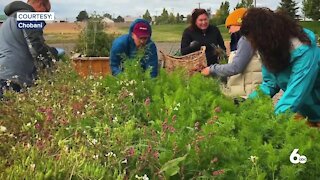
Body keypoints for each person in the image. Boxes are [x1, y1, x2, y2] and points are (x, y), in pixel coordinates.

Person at [240, 8, 320, 122]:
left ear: (266, 35)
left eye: (255, 41)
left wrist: (272, 123)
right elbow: (270, 84)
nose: (255, 46)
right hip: (308, 113)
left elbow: (295, 94)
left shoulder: (305, 51)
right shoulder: (269, 49)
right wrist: (247, 103)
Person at [0, 0, 59, 98]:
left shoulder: (9, 20)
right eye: (45, 13)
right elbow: (36, 47)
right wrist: (52, 60)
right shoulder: (28, 16)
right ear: (41, 5)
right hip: (15, 79)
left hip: (3, 74)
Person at [201, 8, 262, 98]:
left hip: (247, 93)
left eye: (230, 27)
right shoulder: (255, 37)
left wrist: (211, 69)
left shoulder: (246, 40)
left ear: (239, 23)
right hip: (249, 90)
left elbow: (236, 67)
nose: (229, 31)